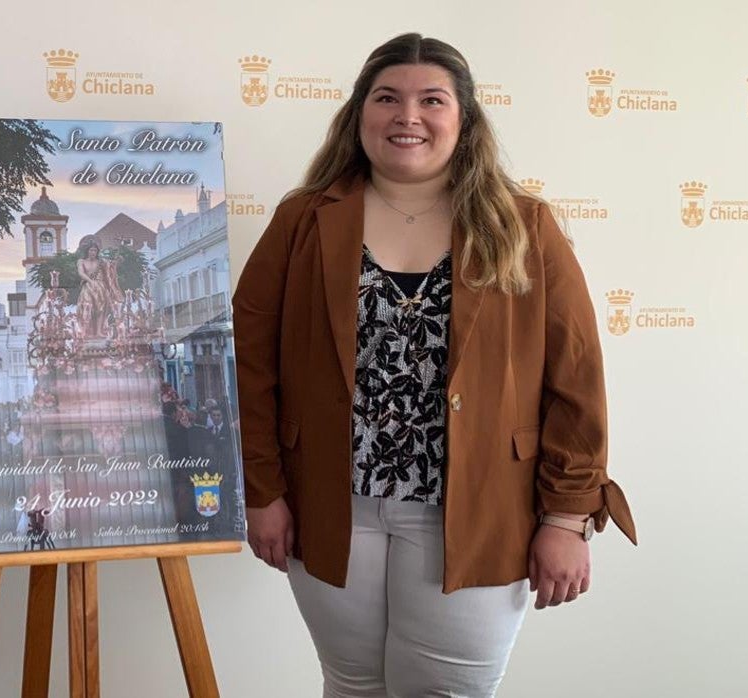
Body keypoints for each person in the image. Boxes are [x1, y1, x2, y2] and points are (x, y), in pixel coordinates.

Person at [232, 33, 636, 697]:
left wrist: (566, 519)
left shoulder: (523, 227)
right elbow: (249, 364)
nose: (407, 115)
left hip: (479, 512)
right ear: (359, 113)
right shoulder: (303, 221)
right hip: (332, 508)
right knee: (352, 686)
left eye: (431, 100)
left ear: (465, 118)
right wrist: (263, 489)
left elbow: (576, 380)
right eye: (387, 97)